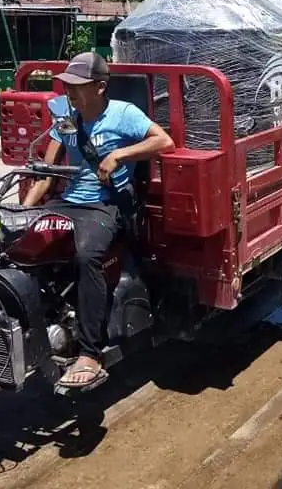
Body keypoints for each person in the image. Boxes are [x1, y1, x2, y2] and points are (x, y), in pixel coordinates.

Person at [22, 52, 175, 390]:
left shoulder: (124, 114)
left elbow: (165, 141)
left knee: (87, 255)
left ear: (101, 87)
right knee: (19, 248)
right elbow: (45, 176)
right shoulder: (64, 116)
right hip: (67, 202)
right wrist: (23, 214)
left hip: (106, 207)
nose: (69, 92)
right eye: (67, 86)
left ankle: (91, 352)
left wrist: (119, 155)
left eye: (78, 86)